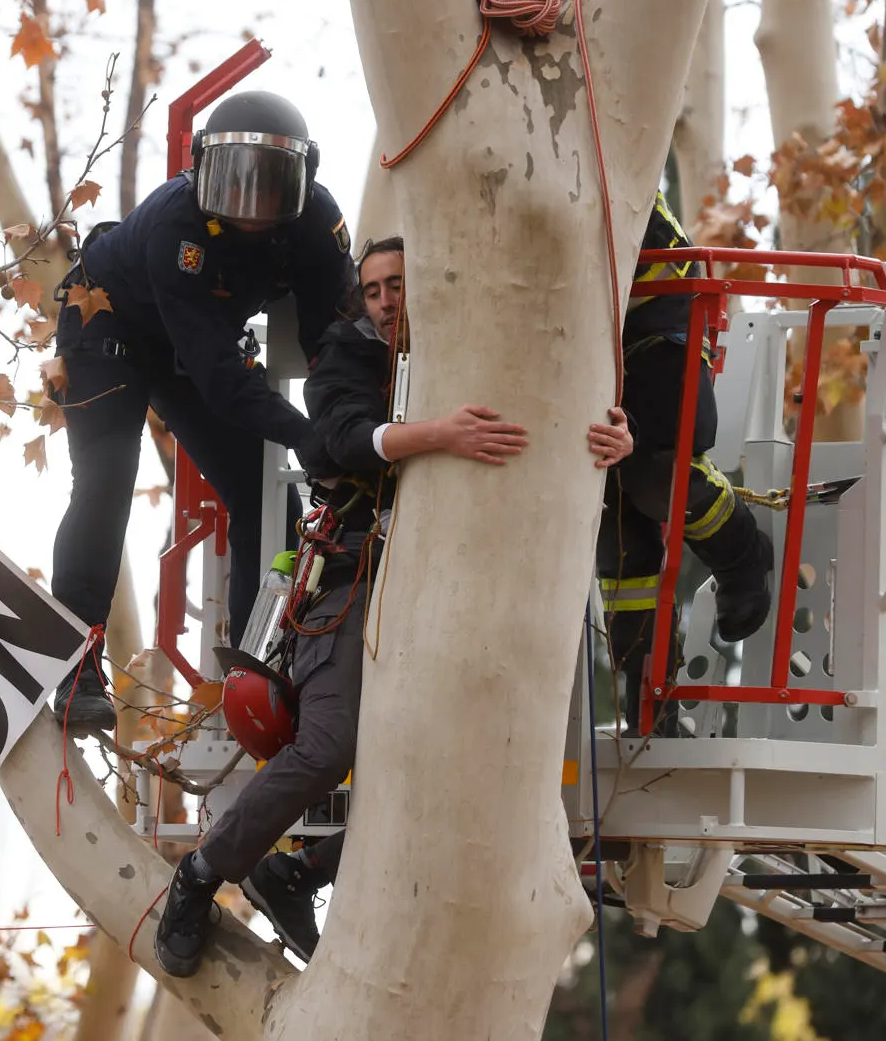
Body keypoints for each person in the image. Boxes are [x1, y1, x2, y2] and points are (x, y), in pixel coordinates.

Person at [151, 236, 635, 974]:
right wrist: (440, 434)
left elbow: (548, 421)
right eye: (373, 288)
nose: (384, 302)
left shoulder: (485, 353)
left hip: (462, 589)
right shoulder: (346, 354)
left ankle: (302, 872)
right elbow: (340, 440)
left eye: (398, 286)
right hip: (354, 580)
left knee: (471, 763)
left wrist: (611, 437)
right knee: (330, 743)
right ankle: (200, 877)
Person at [47, 91, 356, 736]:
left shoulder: (317, 222)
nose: (250, 206)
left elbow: (333, 334)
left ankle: (259, 670)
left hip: (188, 347)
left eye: (268, 185)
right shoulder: (175, 225)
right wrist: (305, 435)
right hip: (108, 337)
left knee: (260, 494)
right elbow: (218, 374)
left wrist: (343, 427)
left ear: (303, 181)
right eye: (233, 182)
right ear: (200, 170)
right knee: (105, 487)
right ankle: (76, 674)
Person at [598, 192, 774, 734]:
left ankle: (743, 553)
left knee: (654, 470)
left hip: (662, 328)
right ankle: (650, 697)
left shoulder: (598, 159)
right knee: (614, 533)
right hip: (602, 337)